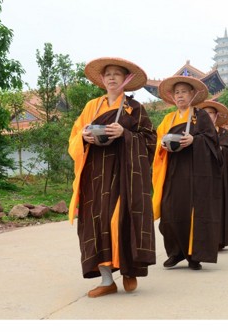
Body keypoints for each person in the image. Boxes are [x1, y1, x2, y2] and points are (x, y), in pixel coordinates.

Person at [68, 57, 157, 298]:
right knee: (96, 223)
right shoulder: (92, 107)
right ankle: (107, 280)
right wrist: (83, 139)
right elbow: (75, 137)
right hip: (96, 175)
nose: (112, 77)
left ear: (126, 80)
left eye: (118, 74)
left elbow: (150, 140)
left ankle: (129, 270)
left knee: (120, 218)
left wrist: (126, 133)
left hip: (125, 174)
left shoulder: (134, 108)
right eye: (108, 74)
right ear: (102, 79)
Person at [152, 75, 222, 271]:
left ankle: (193, 255)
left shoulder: (200, 116)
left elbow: (212, 142)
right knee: (169, 211)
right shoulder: (168, 118)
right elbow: (158, 142)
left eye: (184, 92)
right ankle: (175, 252)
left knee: (192, 213)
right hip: (173, 170)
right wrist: (163, 145)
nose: (180, 95)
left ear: (192, 94)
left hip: (195, 172)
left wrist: (195, 141)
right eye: (177, 92)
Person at [199, 100, 228, 249]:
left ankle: (218, 239)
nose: (207, 116)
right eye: (204, 113)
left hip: (221, 178)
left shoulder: (223, 133)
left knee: (219, 207)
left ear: (216, 116)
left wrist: (221, 151)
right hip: (201, 177)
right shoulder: (196, 131)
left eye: (210, 113)